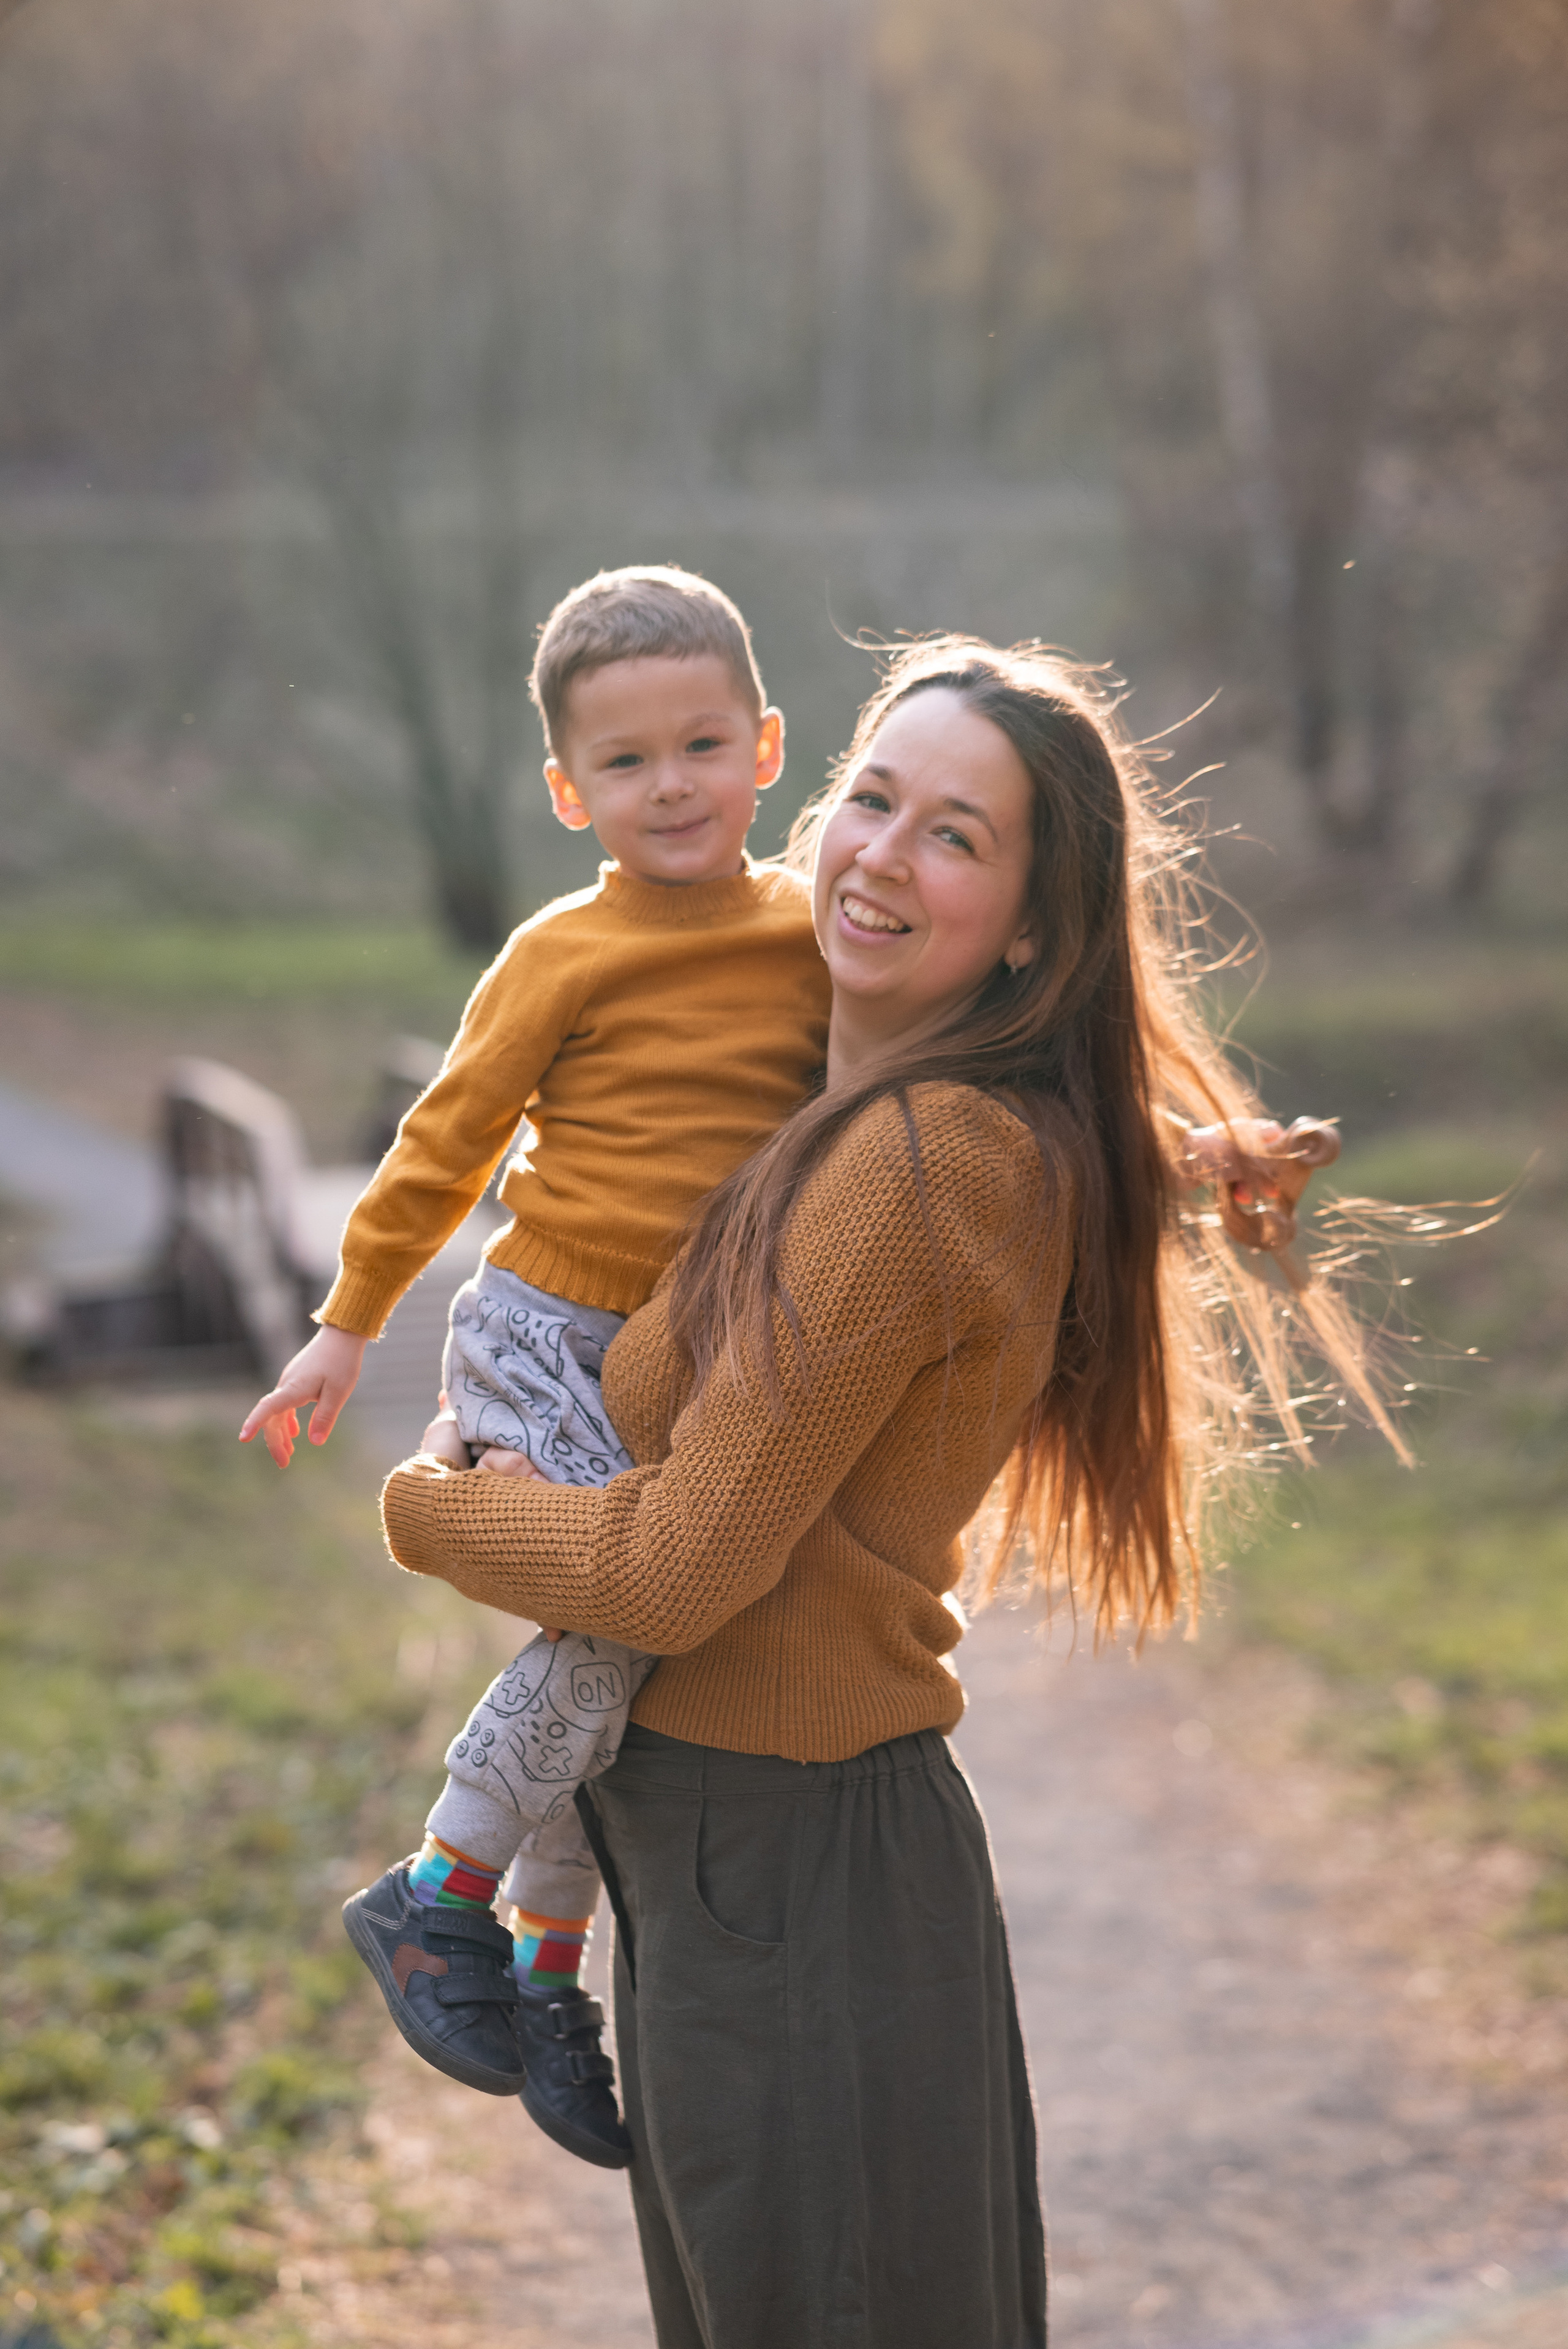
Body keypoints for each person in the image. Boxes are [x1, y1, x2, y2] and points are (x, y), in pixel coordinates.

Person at [378, 637, 1395, 2349]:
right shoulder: (856, 1113)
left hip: (793, 1869)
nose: (880, 854)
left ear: (1032, 926)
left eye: (956, 835)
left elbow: (677, 1568)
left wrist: (432, 1507)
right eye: (873, 797)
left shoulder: (915, 1163)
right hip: (747, 1855)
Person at [238, 565, 831, 2167]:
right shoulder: (564, 951)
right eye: (626, 761)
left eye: (702, 745)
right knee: (624, 1615)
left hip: (688, 1361)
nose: (671, 784)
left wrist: (1177, 1145)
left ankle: (548, 1974)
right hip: (542, 1334)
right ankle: (438, 1892)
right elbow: (445, 1141)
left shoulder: (812, 933)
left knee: (617, 1666)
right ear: (570, 792)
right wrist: (348, 1321)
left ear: (768, 748)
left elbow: (941, 1059)